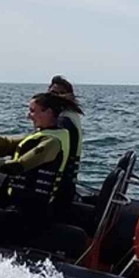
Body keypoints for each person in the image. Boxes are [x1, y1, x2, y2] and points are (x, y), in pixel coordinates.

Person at [0, 93, 72, 244]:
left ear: (48, 112)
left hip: (31, 211)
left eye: (32, 111)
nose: (28, 116)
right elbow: (10, 143)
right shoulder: (45, 134)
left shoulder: (52, 142)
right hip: (19, 202)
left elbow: (19, 166)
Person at [46, 75, 83, 205]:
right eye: (51, 93)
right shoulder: (71, 115)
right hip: (66, 183)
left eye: (59, 94)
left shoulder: (63, 121)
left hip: (58, 188)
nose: (54, 97)